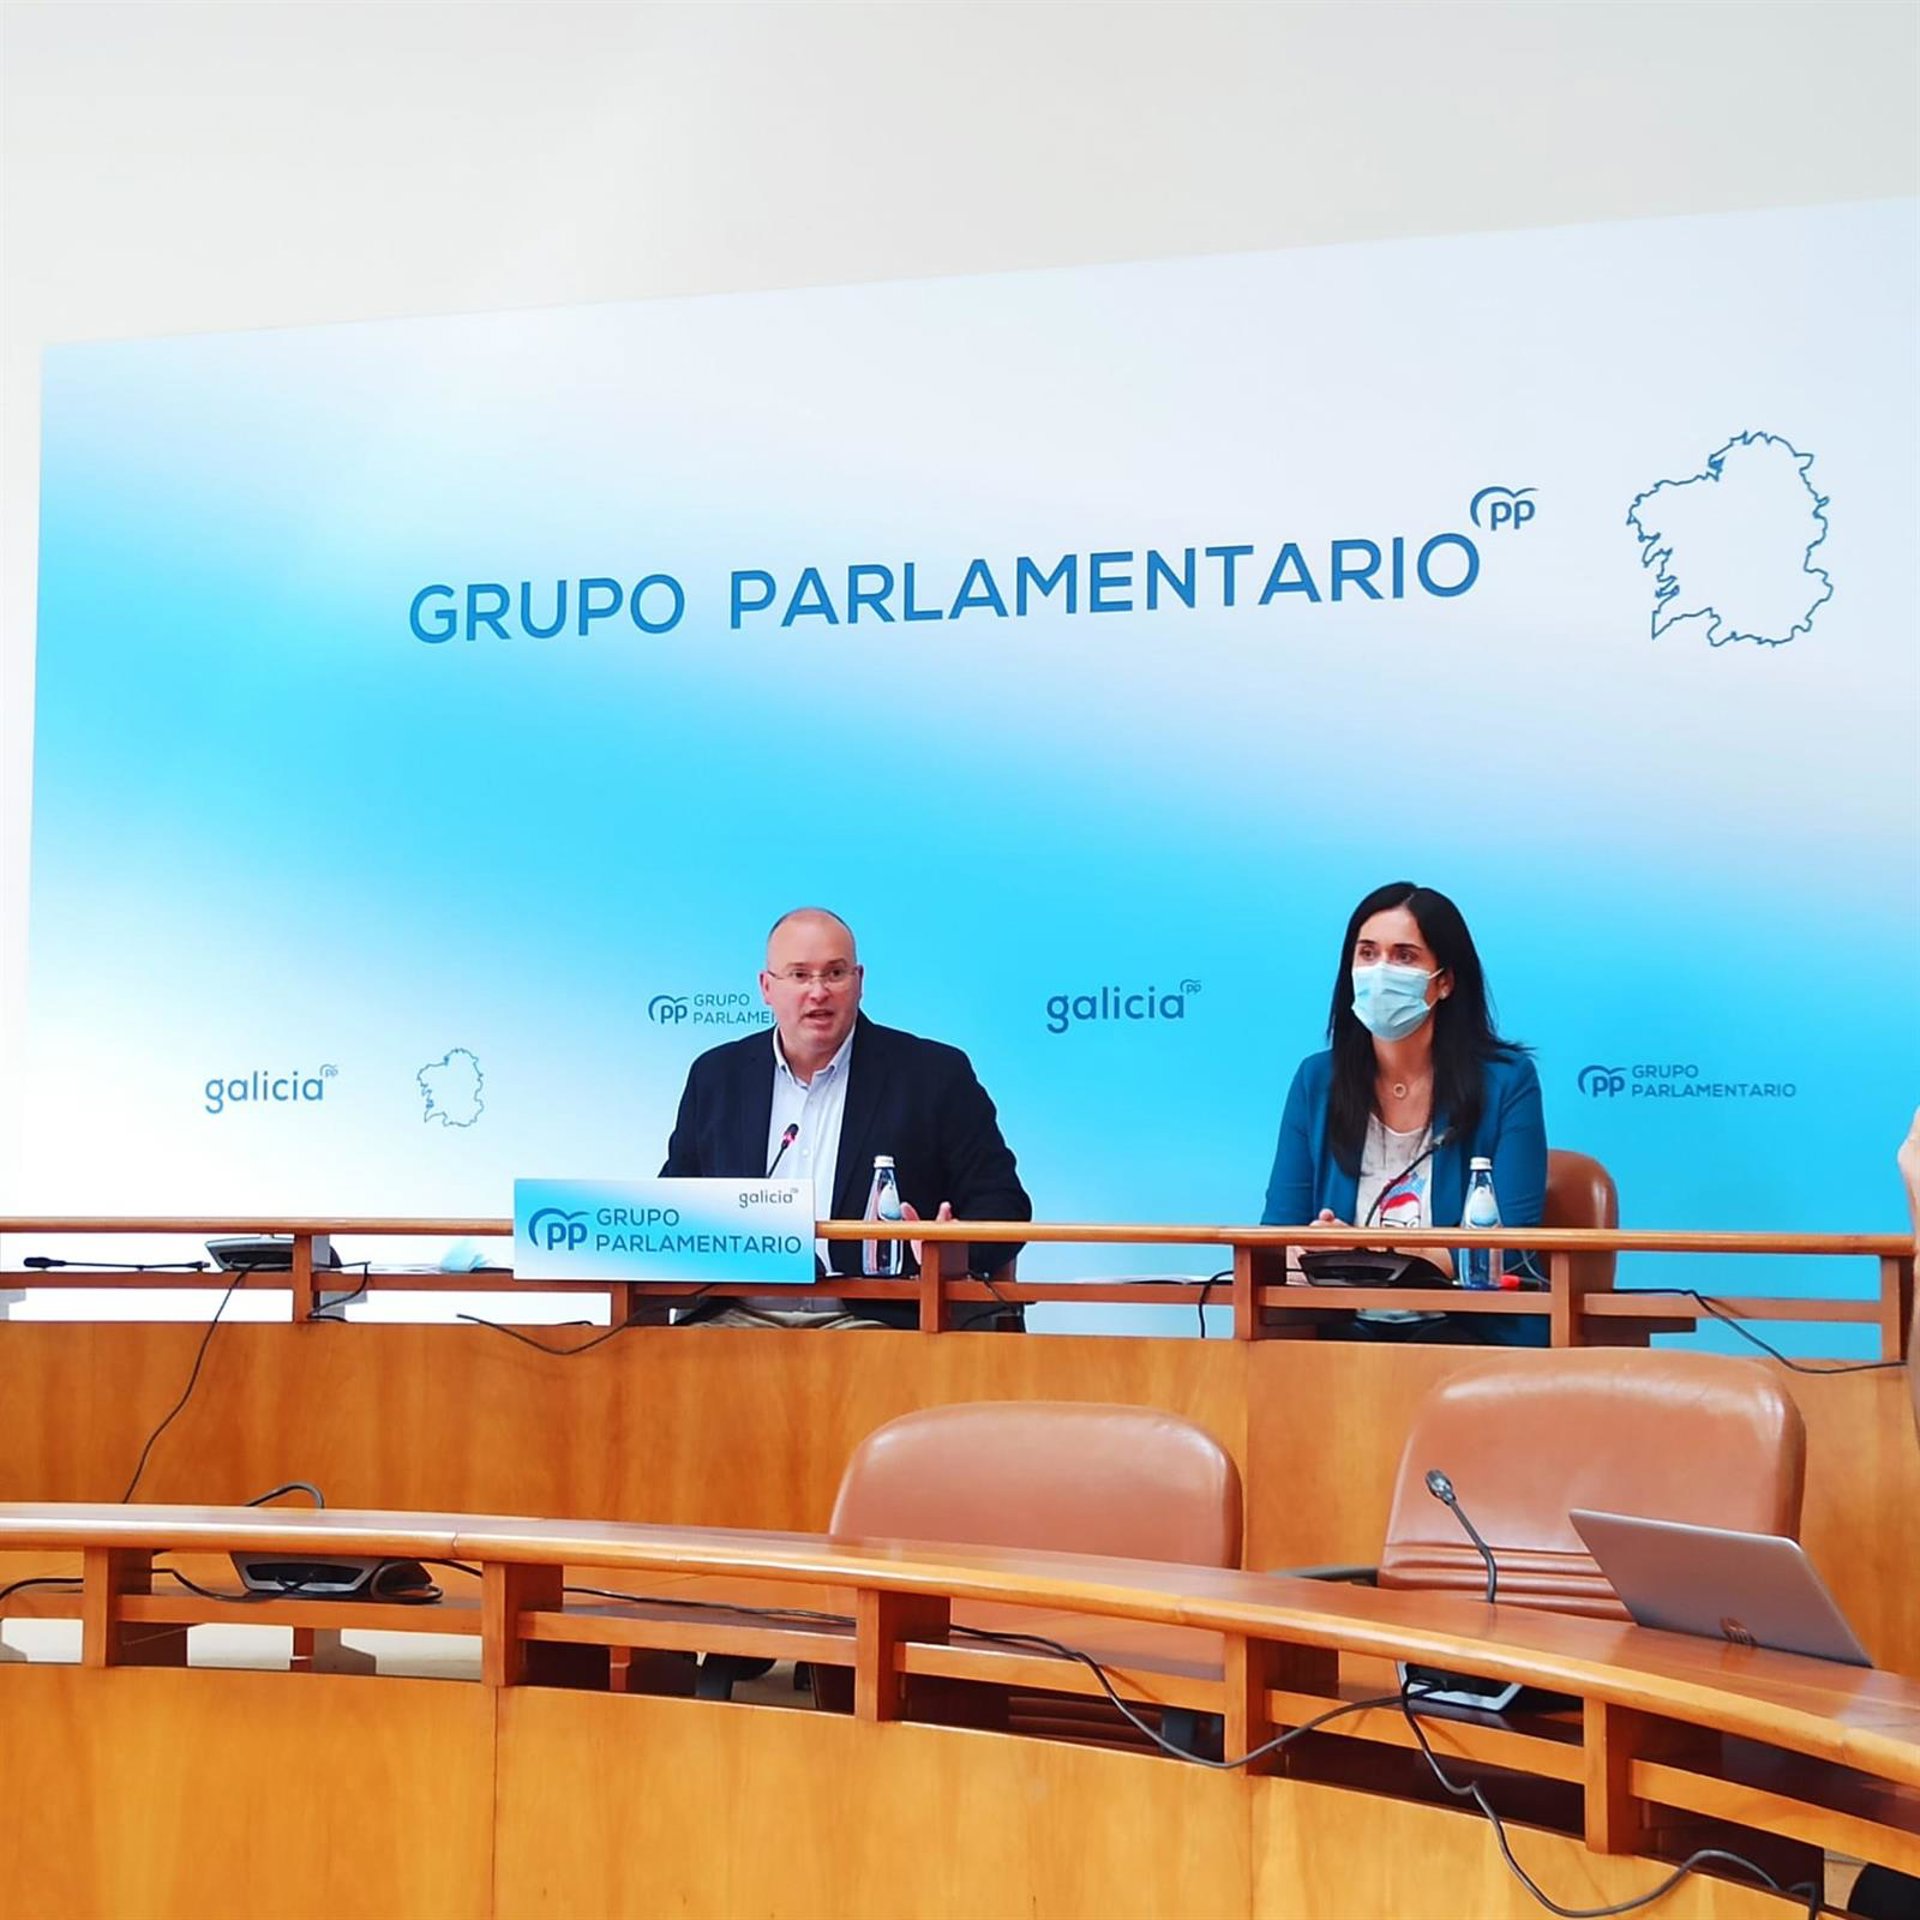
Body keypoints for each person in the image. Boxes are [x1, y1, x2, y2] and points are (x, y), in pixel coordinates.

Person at [661, 906, 1031, 1329]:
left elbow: (1004, 1205)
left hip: (877, 1319)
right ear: (767, 987)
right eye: (800, 975)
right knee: (648, 1361)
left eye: (835, 973)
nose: (818, 992)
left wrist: (953, 1249)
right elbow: (673, 1208)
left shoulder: (933, 1075)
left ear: (859, 982)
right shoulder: (717, 1076)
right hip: (734, 1315)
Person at [1261, 881, 1546, 1345]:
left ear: (1445, 981)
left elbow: (1511, 1248)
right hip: (1339, 1335)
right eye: (1367, 953)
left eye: (1405, 956)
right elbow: (1275, 1239)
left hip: (1469, 1334)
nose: (1381, 971)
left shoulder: (1506, 1082)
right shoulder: (1317, 1081)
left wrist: (1371, 1252)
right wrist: (1311, 1248)